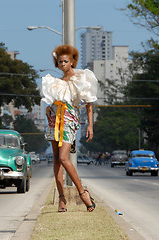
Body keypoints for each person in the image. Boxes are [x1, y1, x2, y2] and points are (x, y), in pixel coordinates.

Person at [42, 44, 97, 212]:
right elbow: (52, 101)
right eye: (59, 62)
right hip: (54, 119)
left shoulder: (81, 79)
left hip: (69, 120)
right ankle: (61, 199)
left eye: (65, 61)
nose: (63, 64)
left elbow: (88, 105)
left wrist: (90, 126)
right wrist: (48, 110)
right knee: (57, 160)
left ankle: (83, 193)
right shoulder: (55, 83)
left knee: (65, 158)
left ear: (72, 61)